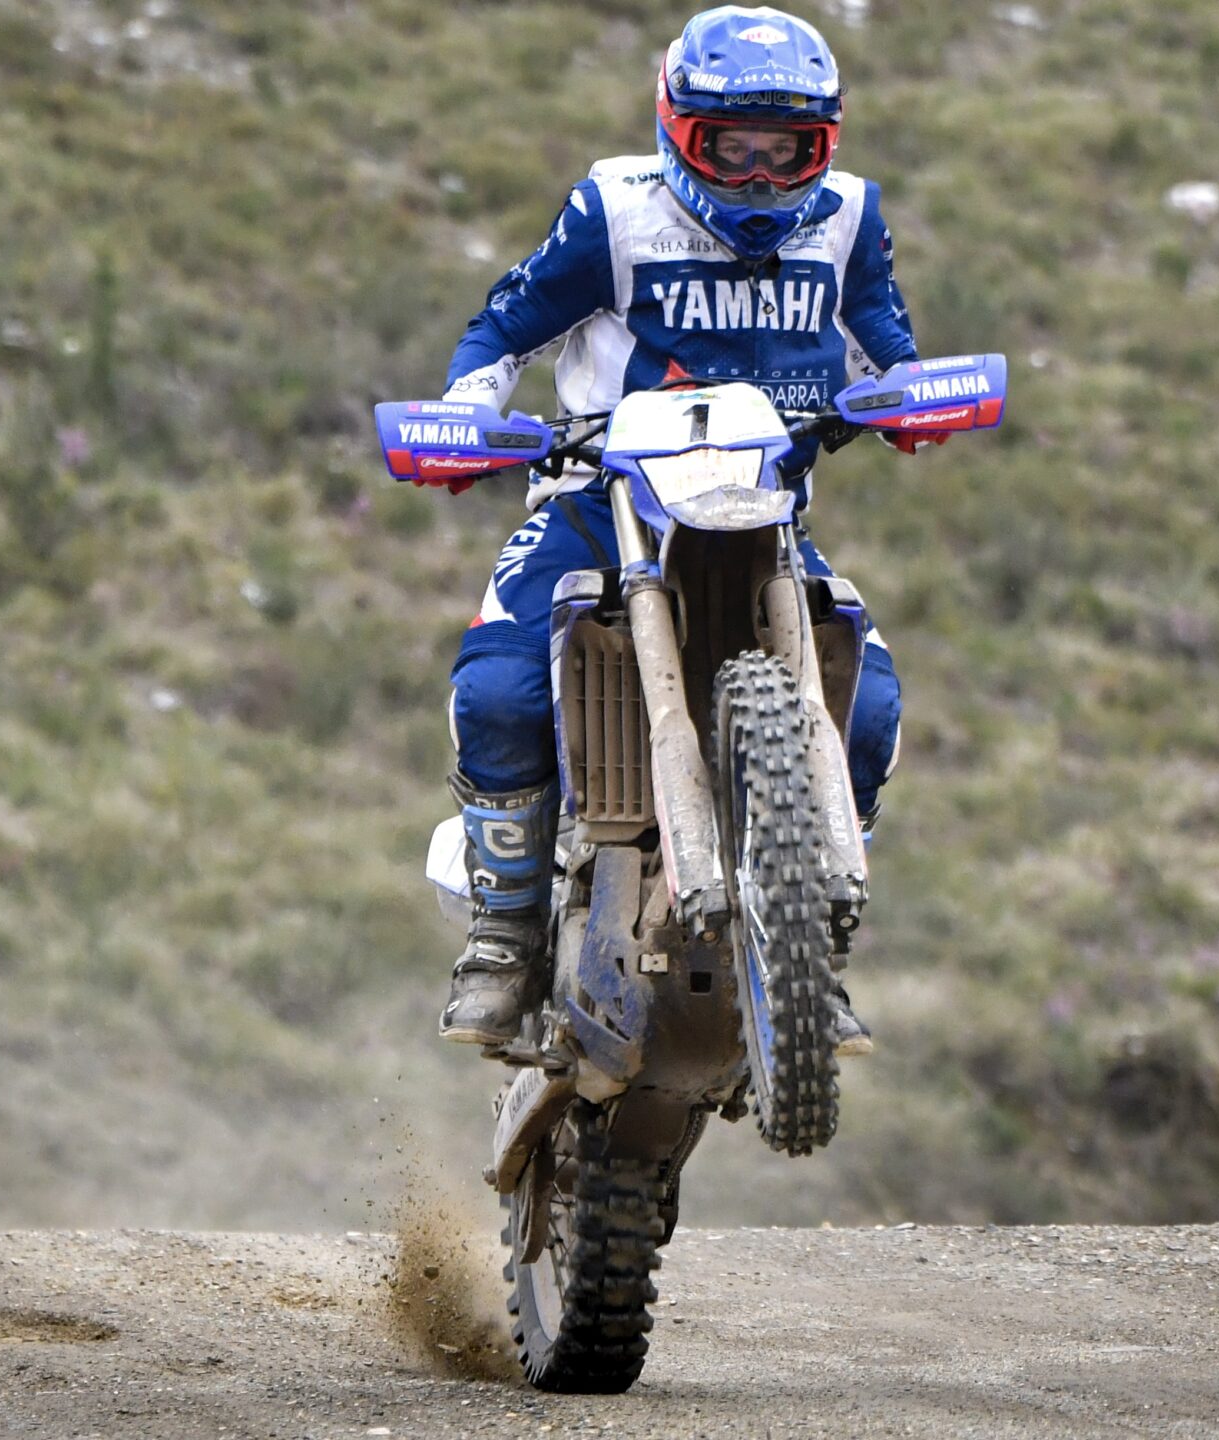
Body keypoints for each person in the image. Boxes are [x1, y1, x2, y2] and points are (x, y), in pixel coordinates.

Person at [423, 6, 929, 1053]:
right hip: (600, 501)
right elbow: (502, 326)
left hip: (761, 508)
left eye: (782, 151)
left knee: (866, 700)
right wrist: (470, 413)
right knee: (498, 684)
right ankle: (503, 939)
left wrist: (916, 396)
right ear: (679, 130)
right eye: (729, 147)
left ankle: (811, 953)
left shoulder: (845, 217)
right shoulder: (614, 209)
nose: (756, 176)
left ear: (820, 145)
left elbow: (886, 337)